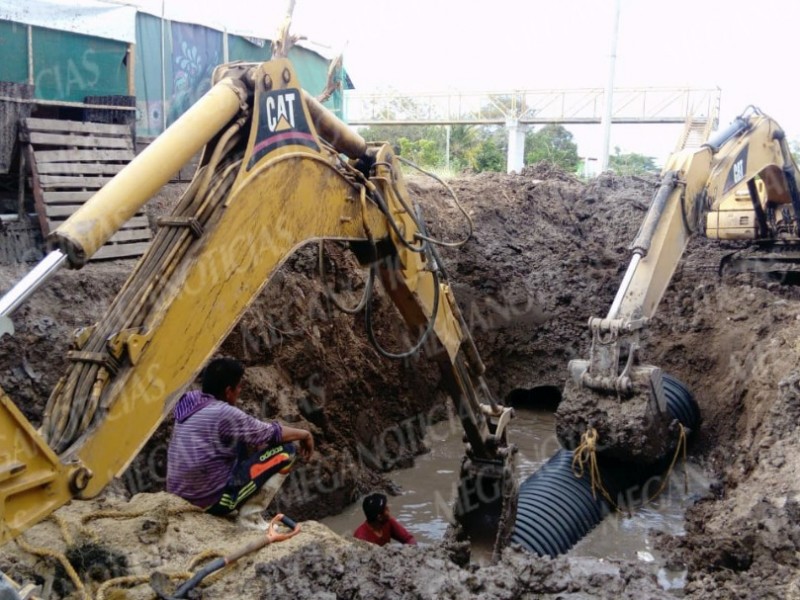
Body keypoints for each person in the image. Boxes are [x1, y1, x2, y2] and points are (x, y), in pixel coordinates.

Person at [166, 356, 314, 530]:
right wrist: (305, 434)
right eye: (238, 387)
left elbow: (252, 433)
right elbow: (272, 433)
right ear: (228, 391)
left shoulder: (190, 400)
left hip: (178, 495)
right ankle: (250, 518)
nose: (240, 390)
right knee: (286, 451)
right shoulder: (224, 413)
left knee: (241, 438)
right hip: (209, 502)